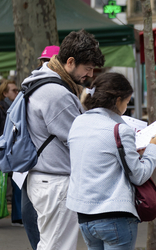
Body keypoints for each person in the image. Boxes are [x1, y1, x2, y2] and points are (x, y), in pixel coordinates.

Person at [21, 29, 104, 250]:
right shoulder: (57, 94)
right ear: (70, 62)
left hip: (44, 178)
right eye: (87, 68)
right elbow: (80, 139)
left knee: (51, 243)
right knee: (58, 246)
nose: (90, 74)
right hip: (55, 182)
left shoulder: (39, 81)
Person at [66, 72, 156, 249]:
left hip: (84, 215)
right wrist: (154, 148)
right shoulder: (120, 129)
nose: (126, 106)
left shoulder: (78, 122)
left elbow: (99, 156)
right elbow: (139, 175)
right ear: (118, 100)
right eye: (127, 102)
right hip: (114, 214)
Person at [21, 45, 61, 249]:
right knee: (41, 229)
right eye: (45, 61)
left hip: (33, 167)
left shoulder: (30, 88)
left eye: (50, 61)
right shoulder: (43, 89)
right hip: (36, 169)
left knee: (44, 233)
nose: (45, 65)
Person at [0, 80, 22, 227]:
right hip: (5, 149)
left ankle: (18, 216)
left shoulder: (12, 106)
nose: (17, 92)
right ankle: (17, 216)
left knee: (15, 182)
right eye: (13, 90)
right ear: (5, 93)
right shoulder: (6, 107)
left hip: (9, 149)